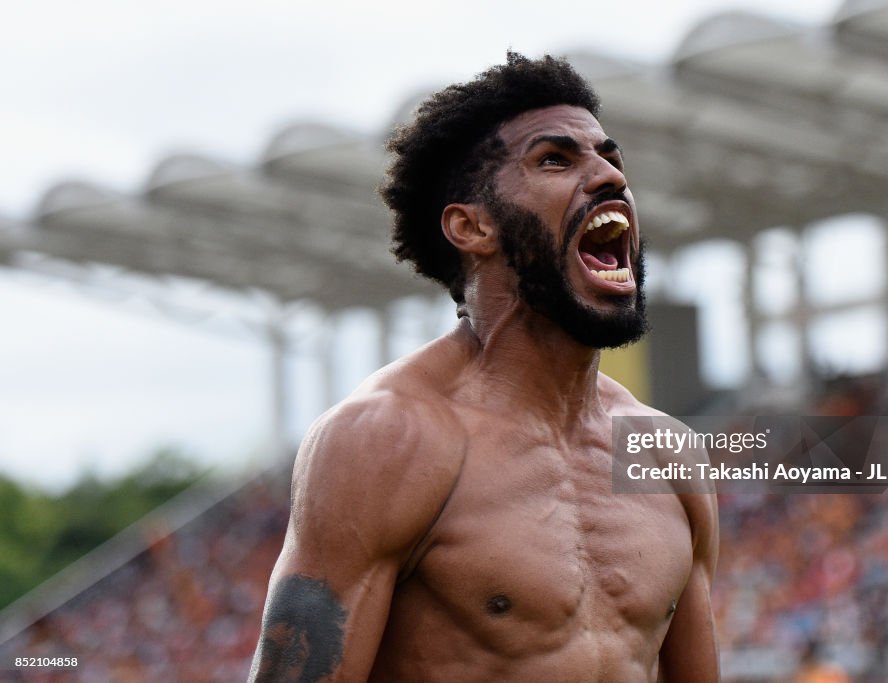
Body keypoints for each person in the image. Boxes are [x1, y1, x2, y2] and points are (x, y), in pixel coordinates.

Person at [248, 52, 719, 682]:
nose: (608, 176)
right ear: (472, 227)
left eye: (611, 157)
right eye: (555, 158)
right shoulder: (385, 440)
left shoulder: (668, 455)